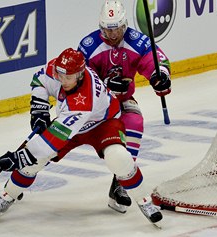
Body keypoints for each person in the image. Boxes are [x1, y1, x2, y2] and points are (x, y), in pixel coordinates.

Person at [0, 48, 163, 224]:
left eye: (68, 77)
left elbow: (52, 142)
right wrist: (39, 109)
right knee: (33, 161)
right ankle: (7, 196)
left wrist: (19, 157)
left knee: (118, 157)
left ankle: (144, 201)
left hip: (102, 124)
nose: (63, 80)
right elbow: (39, 80)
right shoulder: (58, 70)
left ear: (80, 74)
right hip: (71, 123)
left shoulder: (85, 98)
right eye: (60, 75)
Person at [77, 0, 172, 214]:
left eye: (117, 29)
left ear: (125, 25)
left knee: (135, 122)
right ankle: (24, 172)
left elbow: (156, 60)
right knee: (56, 142)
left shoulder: (137, 41)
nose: (112, 35)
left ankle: (120, 182)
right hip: (92, 106)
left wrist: (160, 77)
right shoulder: (89, 45)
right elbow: (78, 80)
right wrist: (105, 86)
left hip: (121, 103)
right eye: (107, 30)